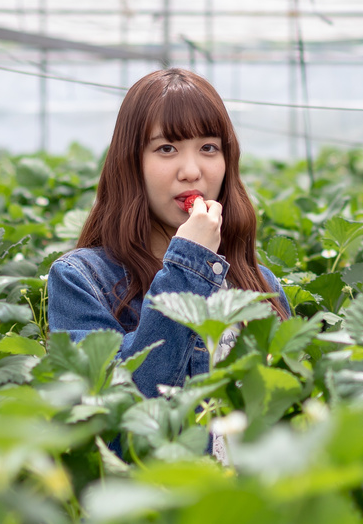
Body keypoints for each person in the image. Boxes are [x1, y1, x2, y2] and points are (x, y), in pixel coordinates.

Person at [48, 68, 284, 398]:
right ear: (131, 163)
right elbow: (123, 415)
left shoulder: (260, 285)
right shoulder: (82, 281)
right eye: (167, 149)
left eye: (209, 148)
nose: (191, 171)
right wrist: (189, 265)